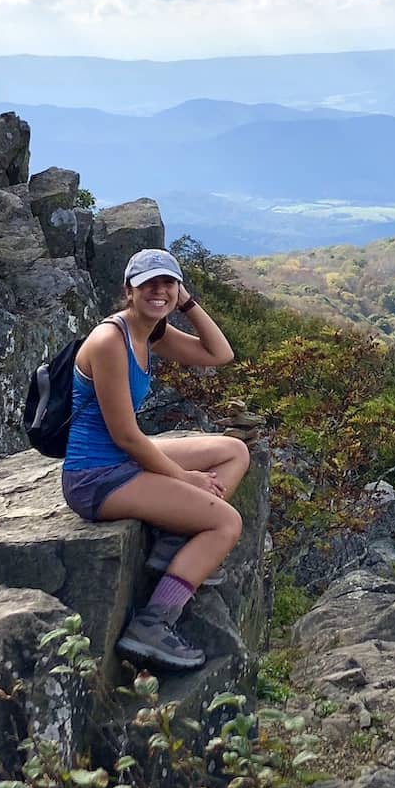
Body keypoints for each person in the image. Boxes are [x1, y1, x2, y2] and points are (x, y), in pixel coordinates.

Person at [61, 247, 247, 671]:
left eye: (167, 283)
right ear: (129, 290)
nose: (158, 291)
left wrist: (190, 305)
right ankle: (153, 621)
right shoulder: (112, 340)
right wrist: (186, 479)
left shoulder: (153, 332)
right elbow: (126, 437)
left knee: (234, 450)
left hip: (122, 461)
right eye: (148, 284)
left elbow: (220, 355)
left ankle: (173, 543)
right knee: (226, 522)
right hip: (97, 476)